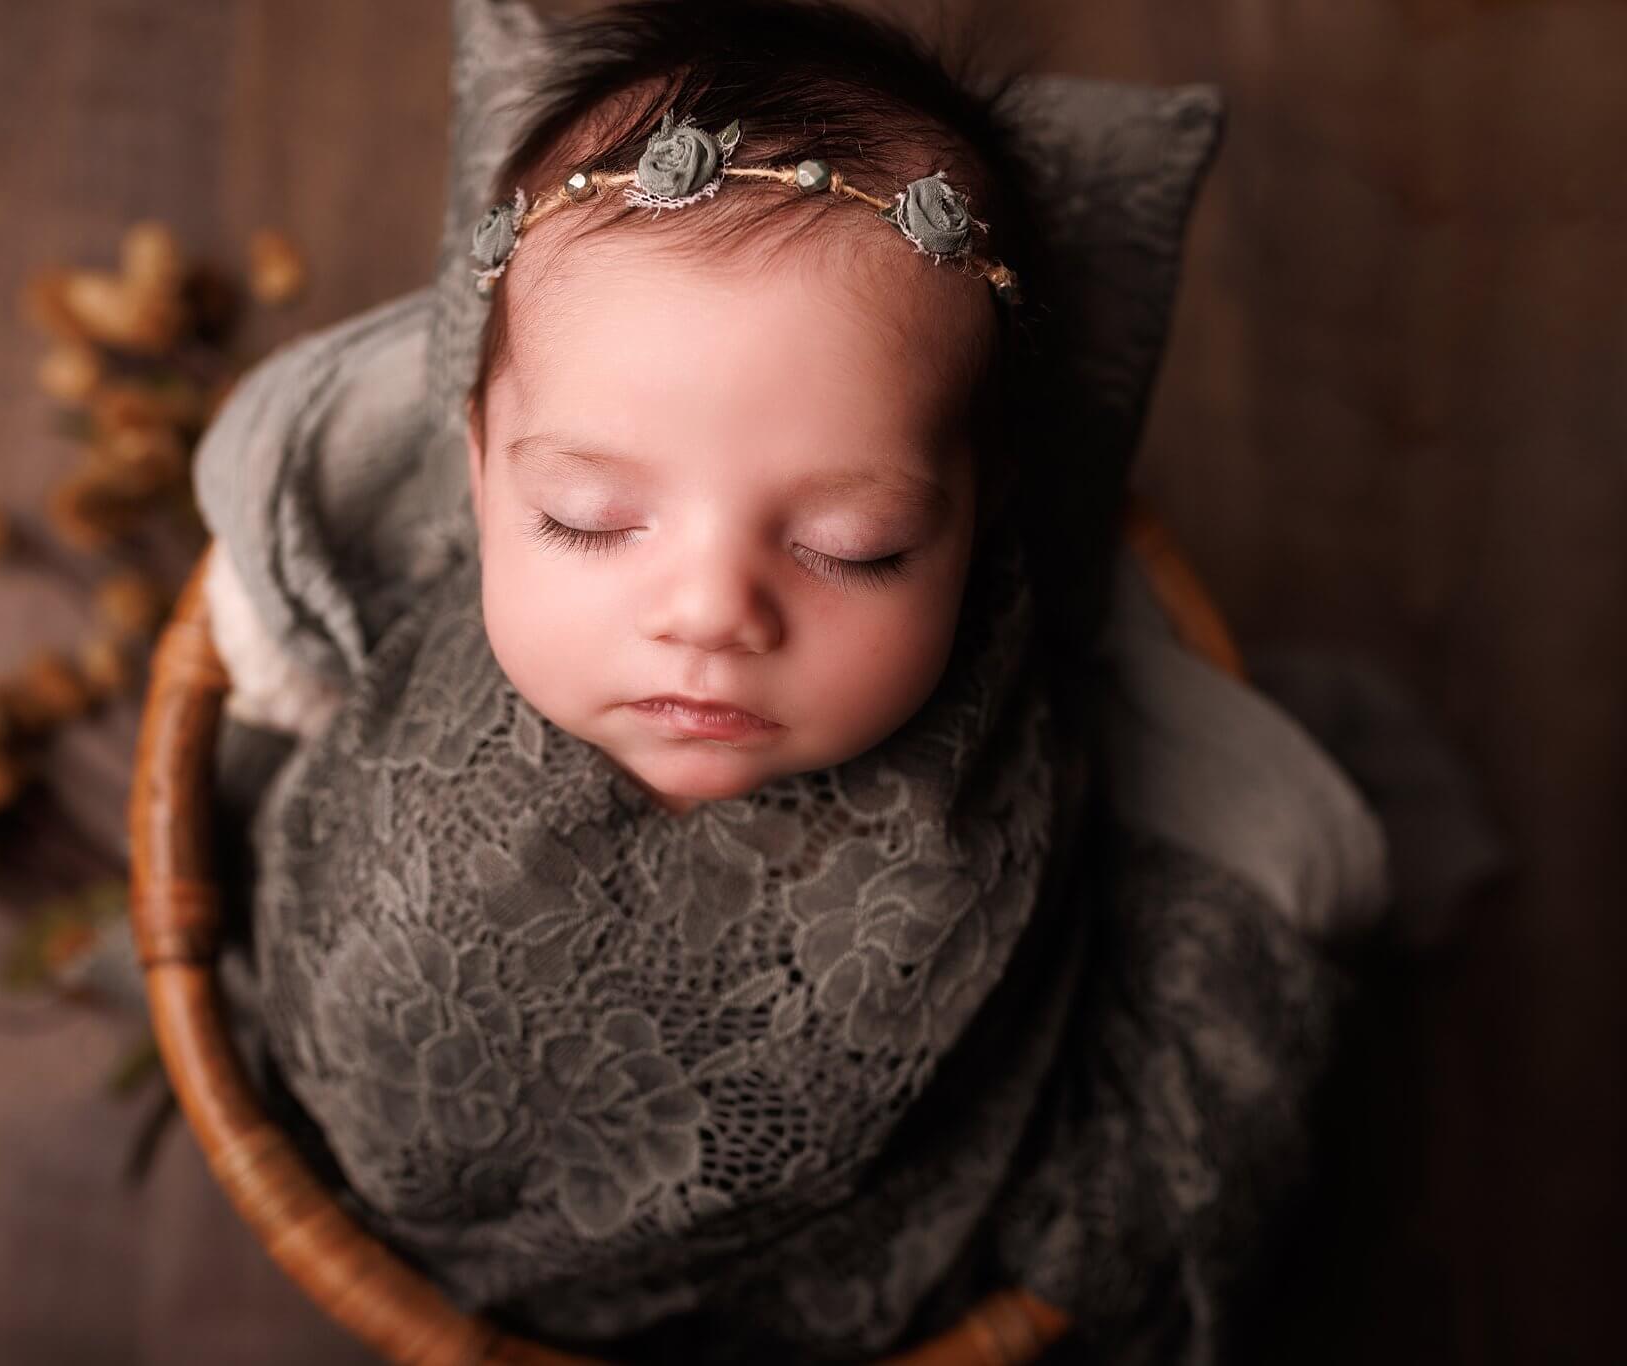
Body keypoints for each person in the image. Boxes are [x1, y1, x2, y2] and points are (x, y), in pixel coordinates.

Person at [192, 2, 1413, 1362]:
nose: (711, 611)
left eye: (857, 546)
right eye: (591, 516)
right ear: (478, 473)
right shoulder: (409, 525)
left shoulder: (1031, 699)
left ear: (973, 520)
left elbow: (1269, 838)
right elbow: (281, 485)